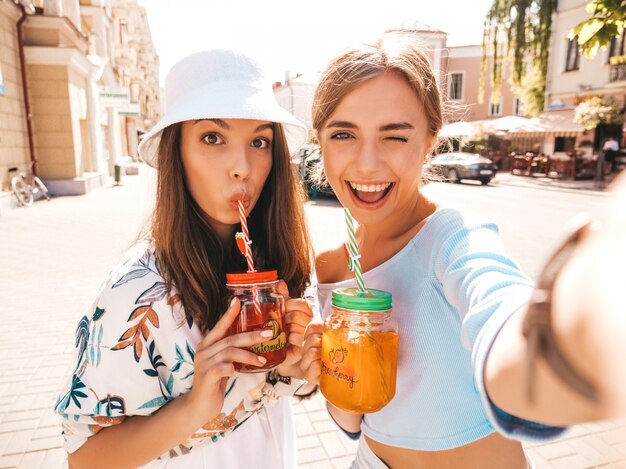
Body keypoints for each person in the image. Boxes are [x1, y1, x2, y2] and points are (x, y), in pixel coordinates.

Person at [300, 34, 626, 469]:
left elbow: (501, 309)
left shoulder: (452, 237)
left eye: (394, 136)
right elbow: (355, 421)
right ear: (320, 141)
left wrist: (567, 352)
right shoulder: (332, 264)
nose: (367, 164)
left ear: (431, 139)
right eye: (343, 134)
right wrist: (326, 372)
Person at [54, 49, 317, 469]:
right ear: (176, 151)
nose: (241, 167)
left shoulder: (275, 263)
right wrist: (195, 405)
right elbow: (85, 459)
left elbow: (278, 391)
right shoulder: (138, 291)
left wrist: (298, 368)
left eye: (259, 141)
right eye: (212, 137)